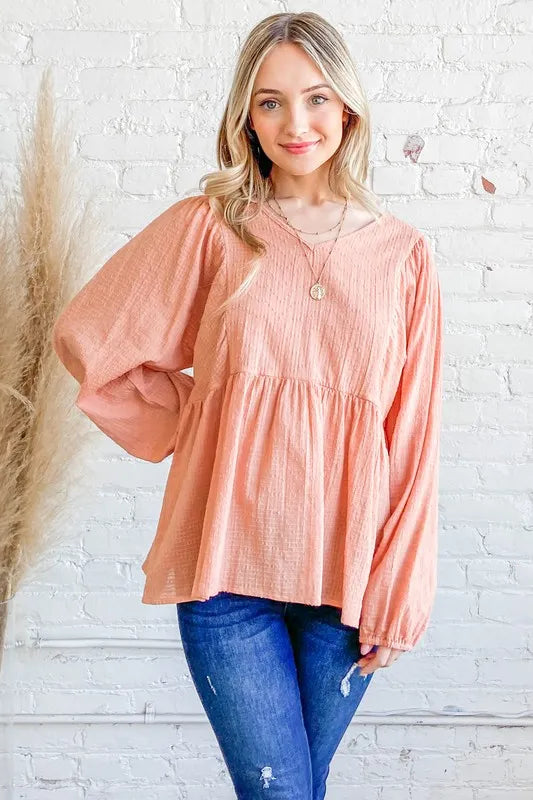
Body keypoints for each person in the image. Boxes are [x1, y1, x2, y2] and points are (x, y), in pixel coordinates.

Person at [52, 11, 444, 799]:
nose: (295, 123)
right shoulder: (210, 227)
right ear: (245, 118)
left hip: (347, 583)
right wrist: (202, 420)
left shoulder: (402, 254)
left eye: (315, 98)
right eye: (270, 102)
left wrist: (402, 589)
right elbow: (89, 337)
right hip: (226, 578)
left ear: (347, 108)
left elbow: (412, 435)